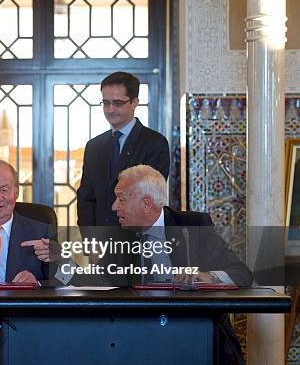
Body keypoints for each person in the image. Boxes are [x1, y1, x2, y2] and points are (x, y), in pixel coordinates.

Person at [109, 164, 252, 287]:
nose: (114, 207)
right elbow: (103, 283)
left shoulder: (193, 226)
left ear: (147, 204)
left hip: (189, 316)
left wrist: (209, 277)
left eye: (121, 199)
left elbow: (242, 274)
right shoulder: (118, 234)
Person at [77, 71, 170, 227]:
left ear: (134, 102)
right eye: (106, 103)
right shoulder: (94, 146)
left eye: (117, 103)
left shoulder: (154, 143)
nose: (110, 109)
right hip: (100, 244)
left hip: (138, 241)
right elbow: (86, 197)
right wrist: (89, 239)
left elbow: (150, 198)